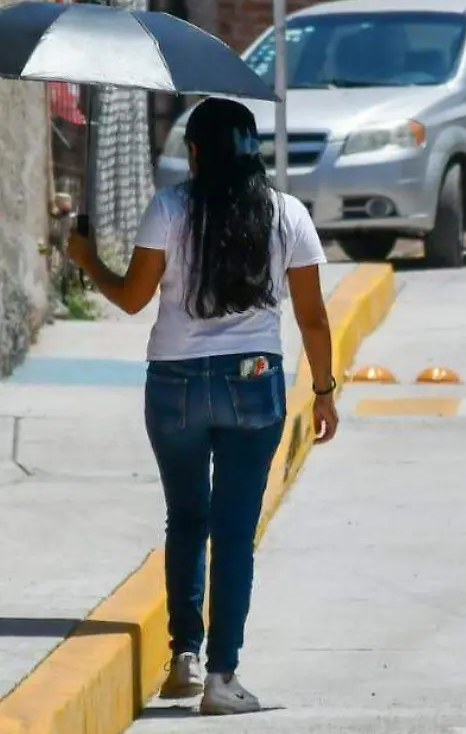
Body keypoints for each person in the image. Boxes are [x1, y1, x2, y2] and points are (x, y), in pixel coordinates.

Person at [67, 97, 338, 716]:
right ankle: (223, 676)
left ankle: (183, 657)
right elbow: (314, 316)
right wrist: (323, 390)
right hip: (254, 380)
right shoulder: (287, 214)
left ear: (194, 151)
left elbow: (134, 299)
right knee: (234, 534)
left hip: (176, 382)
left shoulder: (169, 208)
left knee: (186, 517)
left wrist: (88, 262)